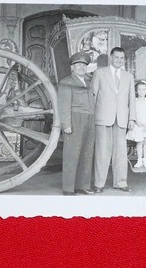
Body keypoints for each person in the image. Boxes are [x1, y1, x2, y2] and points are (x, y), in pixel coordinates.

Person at [91, 47, 136, 193]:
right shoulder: (99, 73)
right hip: (103, 117)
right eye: (116, 57)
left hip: (122, 119)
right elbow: (93, 96)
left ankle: (121, 183)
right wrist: (91, 117)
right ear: (110, 58)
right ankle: (99, 184)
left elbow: (132, 100)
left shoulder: (128, 76)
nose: (119, 60)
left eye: (122, 58)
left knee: (121, 153)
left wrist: (132, 118)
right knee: (102, 151)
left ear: (124, 60)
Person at [57, 52, 95, 196]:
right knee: (72, 153)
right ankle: (68, 187)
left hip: (90, 118)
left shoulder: (90, 82)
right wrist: (66, 124)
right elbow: (63, 104)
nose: (81, 67)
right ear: (72, 67)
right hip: (75, 119)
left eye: (84, 65)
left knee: (87, 152)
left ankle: (83, 186)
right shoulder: (67, 82)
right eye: (78, 65)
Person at [126, 81, 146, 168]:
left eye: (143, 89)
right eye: (139, 89)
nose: (141, 91)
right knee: (139, 142)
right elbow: (133, 112)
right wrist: (137, 122)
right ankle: (139, 160)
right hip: (138, 124)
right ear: (136, 91)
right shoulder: (134, 101)